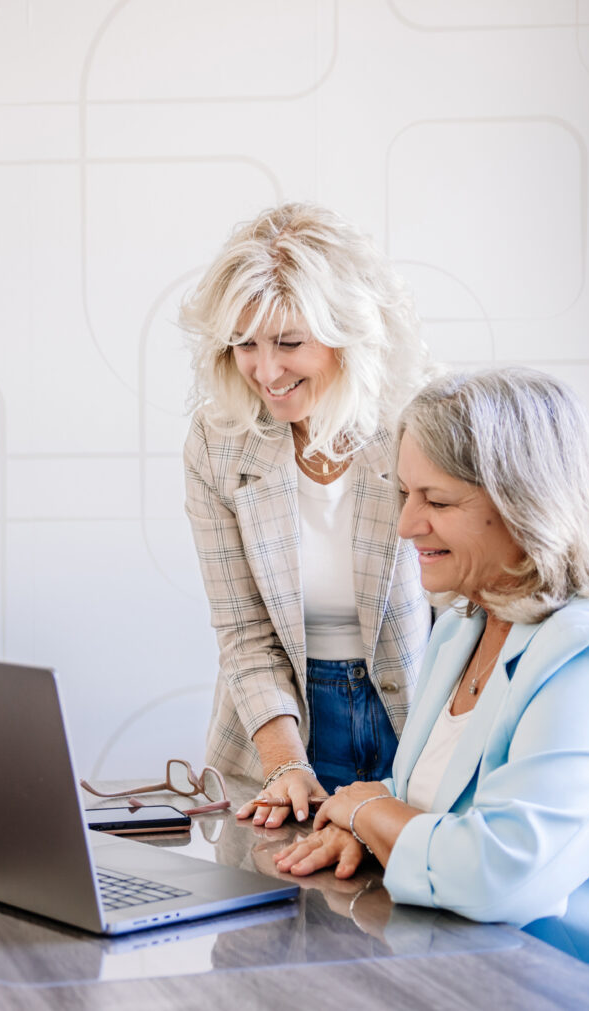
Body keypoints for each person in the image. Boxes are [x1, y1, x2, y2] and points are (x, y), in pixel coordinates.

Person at [275, 367, 589, 1010]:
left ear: (526, 503)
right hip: (502, 973)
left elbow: (501, 875)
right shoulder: (467, 623)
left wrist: (368, 814)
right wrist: (373, 825)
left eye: (437, 500)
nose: (406, 525)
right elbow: (436, 794)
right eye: (405, 493)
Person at [181, 202, 433, 829]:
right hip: (280, 718)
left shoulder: (423, 422)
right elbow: (243, 630)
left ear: (351, 331)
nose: (266, 371)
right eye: (245, 344)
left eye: (290, 342)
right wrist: (285, 763)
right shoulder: (218, 442)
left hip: (417, 706)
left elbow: (470, 613)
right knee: (272, 915)